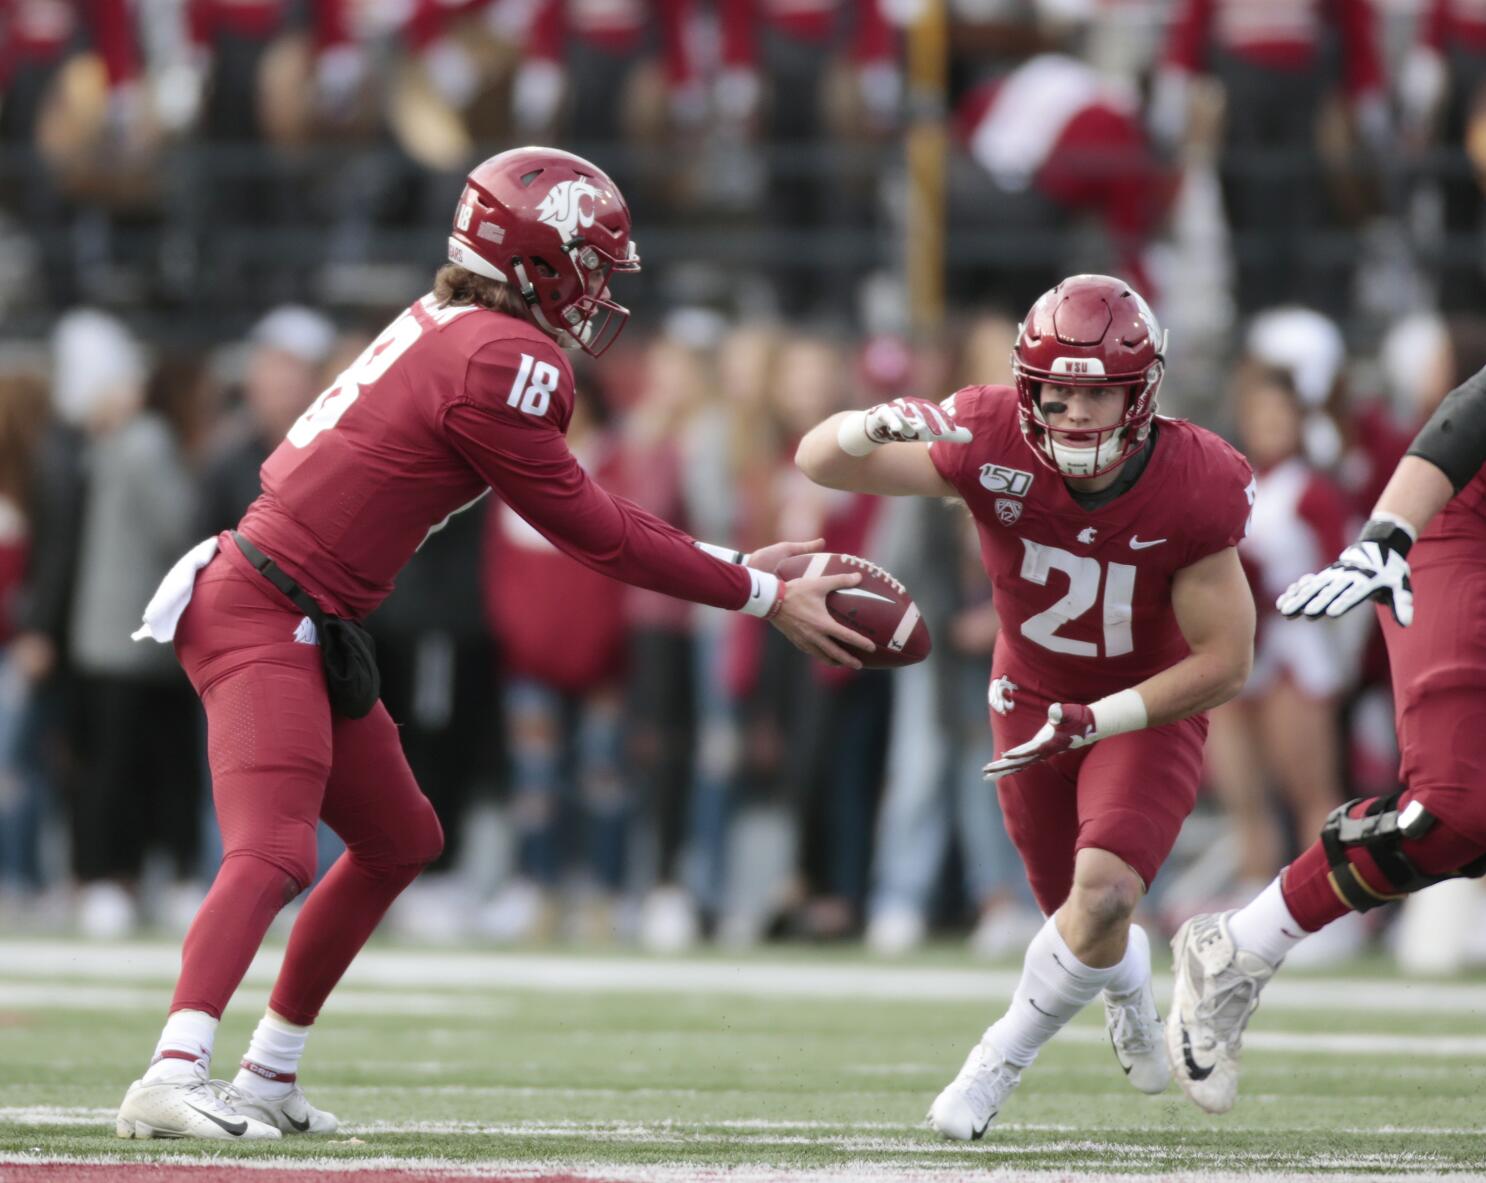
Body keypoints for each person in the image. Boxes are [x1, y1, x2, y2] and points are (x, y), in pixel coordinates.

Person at [116, 145, 873, 1142]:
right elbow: (592, 530)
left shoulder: (453, 324)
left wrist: (739, 566)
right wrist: (757, 588)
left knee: (402, 840)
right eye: (591, 263)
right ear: (539, 259)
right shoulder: (503, 358)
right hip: (268, 605)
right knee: (274, 848)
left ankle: (268, 1070)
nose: (600, 289)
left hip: (296, 603)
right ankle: (171, 1070)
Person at [795, 273, 1256, 1139]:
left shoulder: (1195, 479)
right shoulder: (990, 431)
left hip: (1142, 704)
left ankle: (992, 1064)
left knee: (1107, 891)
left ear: (1141, 390)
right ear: (1029, 385)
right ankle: (1126, 985)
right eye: (1059, 390)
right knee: (1077, 918)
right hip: (1030, 693)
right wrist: (866, 423)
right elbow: (817, 460)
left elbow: (1228, 663)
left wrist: (1104, 716)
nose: (1076, 411)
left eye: (1097, 391)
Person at [1167, 363, 1486, 1116]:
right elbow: (1475, 406)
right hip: (1459, 518)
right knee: (1456, 810)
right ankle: (1239, 947)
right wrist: (1387, 537)